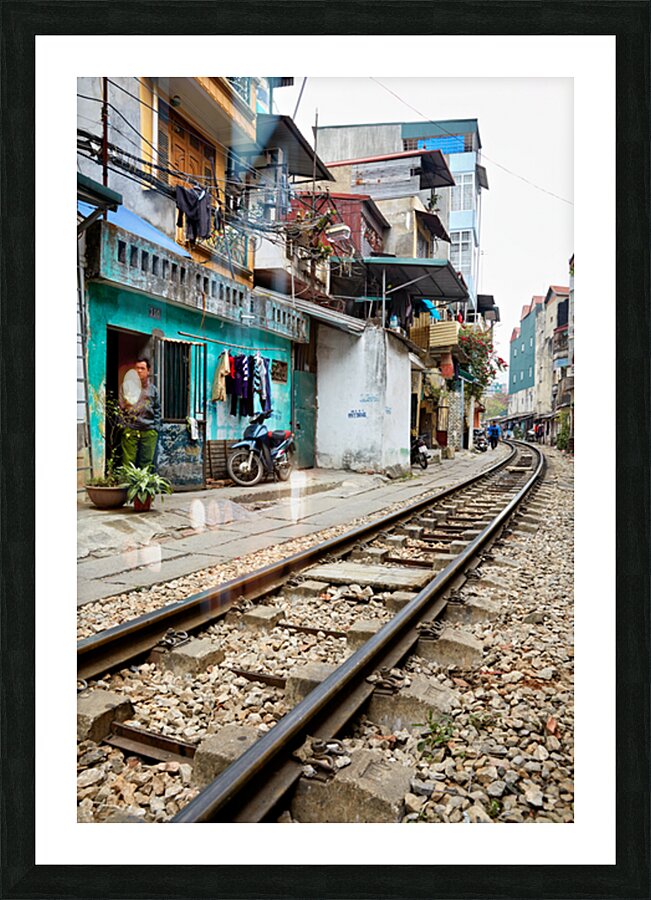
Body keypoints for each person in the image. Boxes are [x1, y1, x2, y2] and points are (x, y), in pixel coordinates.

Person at [120, 357, 161, 469]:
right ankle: (128, 485)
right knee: (128, 461)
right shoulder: (127, 387)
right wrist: (124, 426)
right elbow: (121, 407)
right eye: (137, 368)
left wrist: (155, 427)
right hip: (130, 428)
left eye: (142, 368)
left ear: (148, 371)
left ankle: (143, 485)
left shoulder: (153, 390)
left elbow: (157, 409)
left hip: (149, 430)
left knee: (147, 462)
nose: (139, 371)